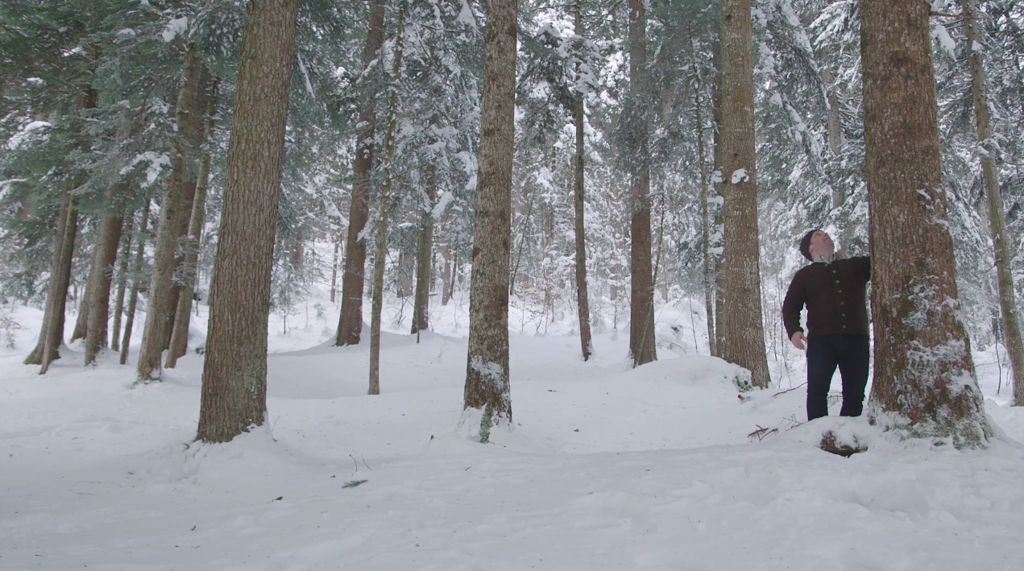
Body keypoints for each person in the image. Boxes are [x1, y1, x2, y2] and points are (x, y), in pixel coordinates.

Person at [782, 229, 871, 421]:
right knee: (817, 392)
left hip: (857, 340)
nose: (824, 235)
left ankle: (849, 434)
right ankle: (818, 435)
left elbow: (882, 259)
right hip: (821, 343)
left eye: (824, 233)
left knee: (855, 394)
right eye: (817, 235)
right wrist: (794, 331)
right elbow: (790, 307)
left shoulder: (855, 266)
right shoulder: (804, 275)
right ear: (810, 248)